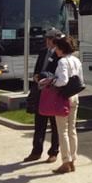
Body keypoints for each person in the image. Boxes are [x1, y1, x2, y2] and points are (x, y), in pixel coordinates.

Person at [42, 36, 83, 174]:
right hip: (75, 96)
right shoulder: (76, 60)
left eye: (57, 48)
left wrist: (53, 81)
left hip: (63, 97)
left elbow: (63, 81)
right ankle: (73, 160)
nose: (56, 51)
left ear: (61, 49)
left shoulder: (62, 62)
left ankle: (65, 161)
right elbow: (80, 79)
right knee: (72, 130)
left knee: (62, 131)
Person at [23, 28, 62, 163]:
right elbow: (38, 68)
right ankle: (36, 151)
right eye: (47, 38)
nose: (47, 41)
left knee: (55, 124)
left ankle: (54, 152)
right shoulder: (43, 52)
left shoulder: (59, 55)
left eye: (50, 39)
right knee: (39, 123)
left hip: (52, 93)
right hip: (40, 91)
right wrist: (36, 77)